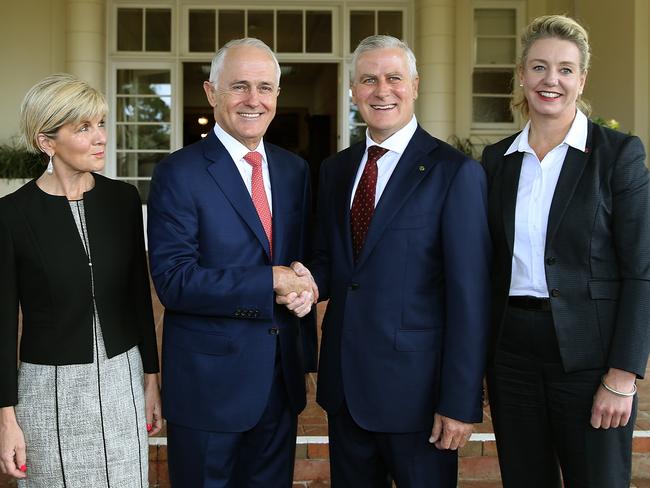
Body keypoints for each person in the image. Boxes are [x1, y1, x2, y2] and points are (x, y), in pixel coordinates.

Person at [302, 35, 490, 486]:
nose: (381, 90)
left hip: (419, 399)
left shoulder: (454, 172)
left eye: (393, 78)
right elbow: (334, 263)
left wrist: (460, 401)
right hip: (346, 390)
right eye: (368, 80)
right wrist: (304, 281)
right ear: (353, 90)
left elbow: (470, 297)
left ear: (416, 85)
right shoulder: (336, 169)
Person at [482, 15, 650, 488]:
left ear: (582, 79)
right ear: (521, 74)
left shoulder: (617, 155)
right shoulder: (497, 161)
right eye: (538, 67)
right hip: (511, 356)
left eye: (564, 69)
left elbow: (642, 270)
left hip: (590, 359)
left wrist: (622, 375)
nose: (550, 80)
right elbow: (488, 269)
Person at [147, 38, 317, 487]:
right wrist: (270, 281)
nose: (253, 100)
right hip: (208, 389)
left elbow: (298, 261)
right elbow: (175, 281)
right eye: (239, 86)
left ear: (277, 96)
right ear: (210, 92)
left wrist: (305, 287)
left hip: (279, 383)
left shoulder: (293, 170)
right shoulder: (178, 173)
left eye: (265, 87)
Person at [0, 74, 162, 487]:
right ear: (46, 142)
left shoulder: (123, 199)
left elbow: (137, 299)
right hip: (49, 391)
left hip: (122, 380)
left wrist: (150, 382)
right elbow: (2, 324)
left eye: (102, 124)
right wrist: (6, 418)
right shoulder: (11, 215)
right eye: (84, 128)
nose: (101, 137)